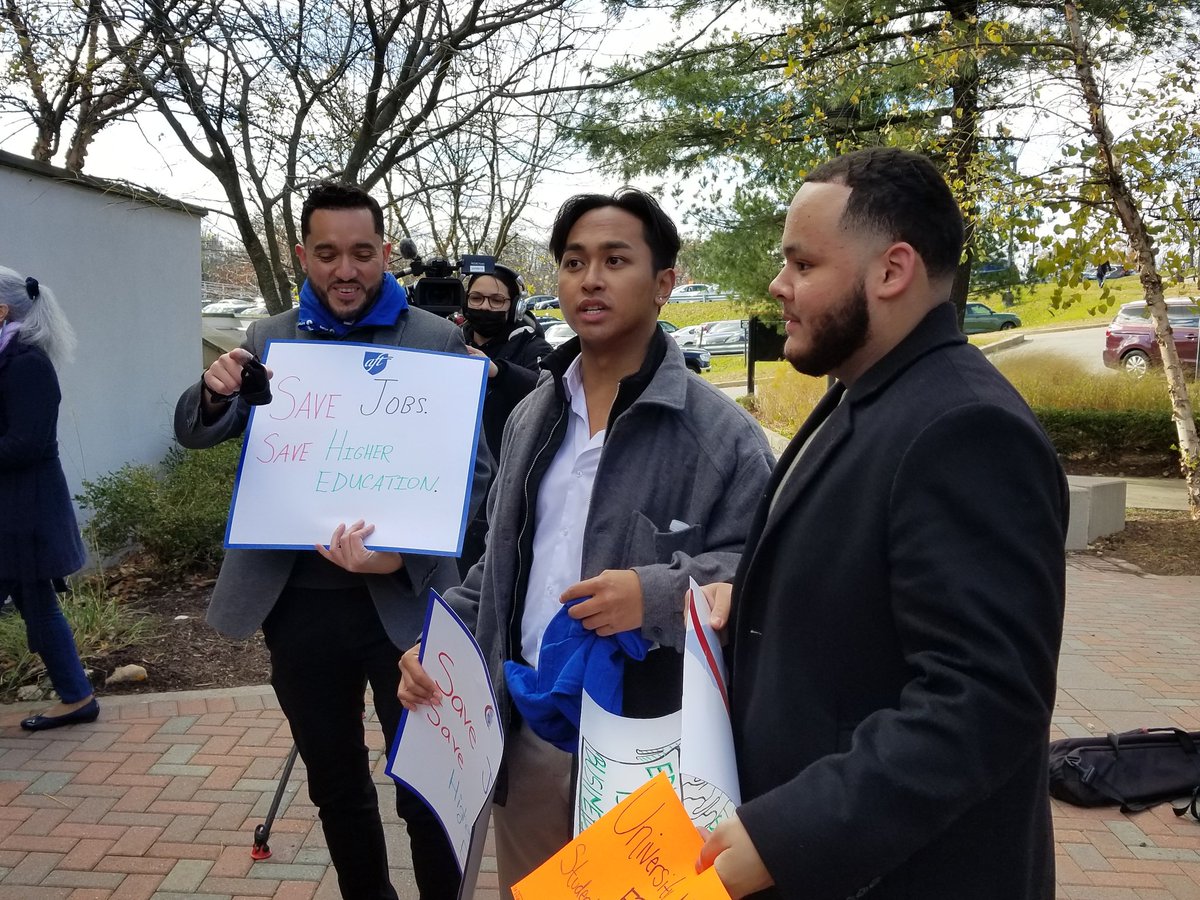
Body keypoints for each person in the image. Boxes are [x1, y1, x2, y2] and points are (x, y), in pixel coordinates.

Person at [695, 147, 1069, 899]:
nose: (778, 285)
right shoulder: (866, 391)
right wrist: (761, 599)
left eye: (802, 264)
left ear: (892, 271)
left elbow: (985, 701)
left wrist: (790, 833)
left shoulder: (964, 429)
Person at [399, 188, 775, 892]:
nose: (590, 279)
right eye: (574, 262)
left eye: (614, 259)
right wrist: (441, 643)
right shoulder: (532, 415)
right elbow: (502, 565)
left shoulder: (718, 433)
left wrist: (658, 595)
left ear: (665, 282)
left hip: (649, 748)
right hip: (532, 733)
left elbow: (769, 572)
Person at [174, 182, 487, 900]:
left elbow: (475, 475)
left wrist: (400, 554)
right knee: (336, 783)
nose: (345, 270)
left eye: (361, 252)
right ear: (301, 256)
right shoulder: (266, 338)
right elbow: (196, 430)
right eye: (327, 254)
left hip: (402, 610)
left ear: (383, 252)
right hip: (298, 607)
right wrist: (218, 391)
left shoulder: (436, 340)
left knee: (424, 787)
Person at [0, 266, 99, 732]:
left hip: (26, 513)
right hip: (15, 512)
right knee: (38, 604)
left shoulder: (27, 364)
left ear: (2, 311)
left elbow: (27, 444)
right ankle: (77, 696)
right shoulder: (9, 357)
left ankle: (78, 697)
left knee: (38, 603)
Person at [457, 264, 552, 576]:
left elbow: (547, 386)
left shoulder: (533, 346)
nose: (486, 307)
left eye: (497, 300)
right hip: (454, 484)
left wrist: (497, 371)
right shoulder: (449, 340)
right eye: (477, 298)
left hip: (508, 488)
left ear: (515, 305)